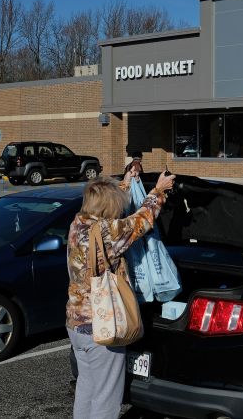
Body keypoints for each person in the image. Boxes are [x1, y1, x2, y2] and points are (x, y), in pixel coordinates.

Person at [66, 168, 175, 419]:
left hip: (76, 325)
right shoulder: (107, 232)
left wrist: (125, 184)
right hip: (102, 327)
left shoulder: (77, 223)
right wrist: (158, 191)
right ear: (109, 206)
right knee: (106, 397)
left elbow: (109, 207)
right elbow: (141, 221)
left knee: (87, 387)